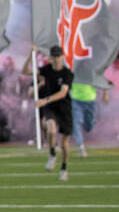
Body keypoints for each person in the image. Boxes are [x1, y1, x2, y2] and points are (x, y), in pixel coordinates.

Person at [34, 45, 74, 181]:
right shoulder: (47, 70)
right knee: (50, 129)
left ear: (62, 57)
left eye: (58, 56)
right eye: (54, 56)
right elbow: (27, 71)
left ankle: (64, 167)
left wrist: (45, 100)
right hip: (51, 108)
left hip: (64, 108)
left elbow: (63, 93)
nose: (56, 59)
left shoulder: (67, 73)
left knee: (64, 143)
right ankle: (52, 154)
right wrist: (31, 54)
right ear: (50, 58)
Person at [69, 80, 107, 158]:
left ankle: (89, 124)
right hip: (75, 100)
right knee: (75, 123)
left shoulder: (90, 71)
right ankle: (81, 147)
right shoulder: (73, 71)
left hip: (90, 101)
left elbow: (102, 81)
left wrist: (105, 94)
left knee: (88, 127)